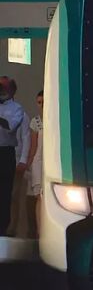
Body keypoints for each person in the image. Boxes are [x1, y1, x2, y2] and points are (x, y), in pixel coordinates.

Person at [0, 76, 24, 235]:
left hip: (4, 153)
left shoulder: (17, 108)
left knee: (4, 192)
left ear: (11, 90)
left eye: (2, 86)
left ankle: (1, 229)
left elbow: (10, 127)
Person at [6, 106, 29, 237]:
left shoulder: (21, 115)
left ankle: (11, 227)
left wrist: (23, 160)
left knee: (13, 196)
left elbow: (26, 138)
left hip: (15, 160)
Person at [26, 90, 43, 238]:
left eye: (44, 102)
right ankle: (39, 230)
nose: (41, 105)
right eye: (39, 102)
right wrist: (28, 164)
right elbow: (33, 146)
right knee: (39, 197)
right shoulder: (35, 121)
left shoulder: (55, 119)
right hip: (38, 161)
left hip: (53, 161)